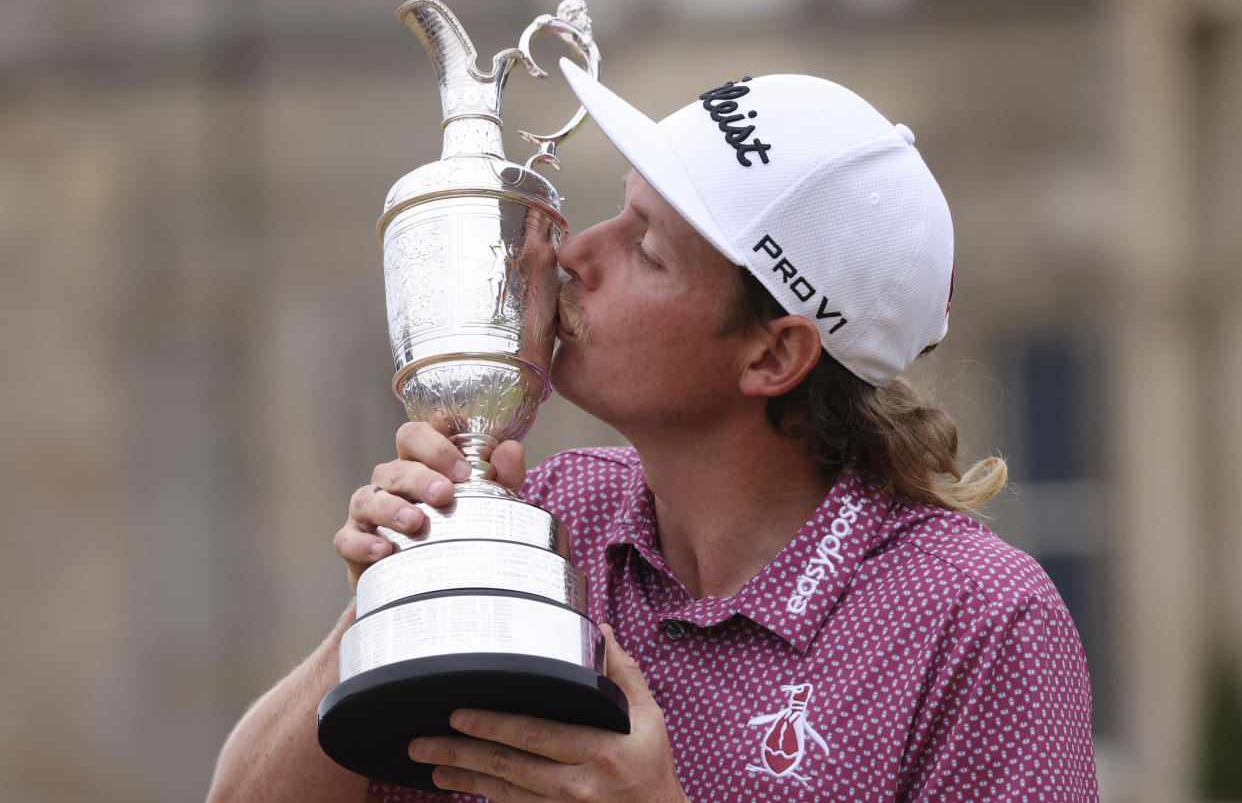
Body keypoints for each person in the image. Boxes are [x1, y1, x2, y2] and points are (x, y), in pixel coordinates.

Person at [208, 60, 1099, 802]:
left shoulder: (980, 622)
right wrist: (383, 604)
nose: (575, 254)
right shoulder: (547, 511)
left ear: (771, 354)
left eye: (645, 245)